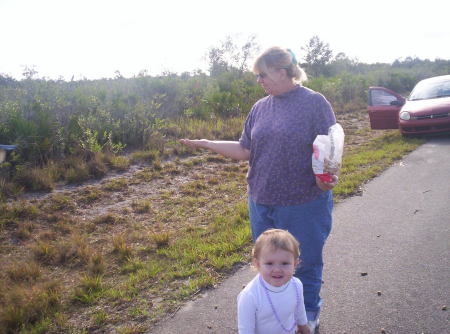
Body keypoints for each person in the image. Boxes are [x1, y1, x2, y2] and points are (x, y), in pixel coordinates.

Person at [180, 46, 338, 333]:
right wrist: (207, 143)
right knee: (268, 264)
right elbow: (244, 150)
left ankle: (309, 315)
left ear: (283, 72)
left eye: (262, 75)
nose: (259, 81)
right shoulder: (260, 107)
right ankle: (274, 315)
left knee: (304, 262)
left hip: (302, 202)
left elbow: (330, 149)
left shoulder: (314, 103)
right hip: (261, 200)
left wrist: (326, 177)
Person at [237, 229, 310, 334]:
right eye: (269, 263)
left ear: (295, 263)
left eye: (284, 263)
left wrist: (303, 325)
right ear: (257, 264)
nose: (277, 269)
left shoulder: (296, 285)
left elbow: (299, 308)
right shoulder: (250, 296)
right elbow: (245, 330)